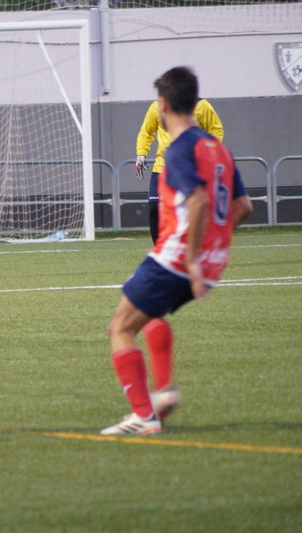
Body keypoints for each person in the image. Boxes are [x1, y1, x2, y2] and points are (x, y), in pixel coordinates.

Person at [102, 66, 252, 436]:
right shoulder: (218, 149)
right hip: (211, 262)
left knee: (119, 328)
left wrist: (193, 260)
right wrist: (212, 250)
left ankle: (144, 416)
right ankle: (164, 389)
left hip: (179, 258)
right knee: (149, 313)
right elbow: (243, 206)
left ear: (164, 105)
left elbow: (198, 200)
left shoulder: (180, 149)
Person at [135, 94, 224, 244]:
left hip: (190, 167)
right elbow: (146, 132)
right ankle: (160, 248)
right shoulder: (157, 107)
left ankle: (193, 245)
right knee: (154, 207)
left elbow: (216, 130)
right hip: (162, 167)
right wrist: (141, 154)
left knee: (189, 209)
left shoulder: (201, 106)